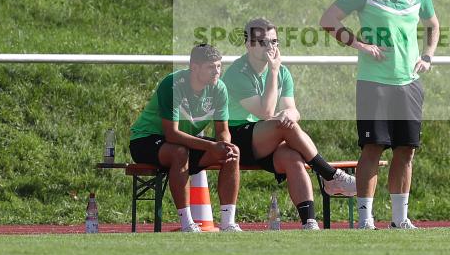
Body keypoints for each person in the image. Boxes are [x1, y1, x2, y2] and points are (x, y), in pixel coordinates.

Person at [320, 0, 439, 229]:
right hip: (374, 82)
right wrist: (360, 45)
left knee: (406, 149)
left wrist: (427, 56)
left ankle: (399, 219)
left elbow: (432, 24)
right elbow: (328, 19)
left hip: (409, 83)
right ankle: (365, 219)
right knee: (372, 148)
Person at [220, 17, 358, 230]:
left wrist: (287, 115)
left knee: (293, 156)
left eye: (274, 42)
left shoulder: (282, 72)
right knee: (283, 125)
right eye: (264, 42)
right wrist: (274, 72)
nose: (271, 47)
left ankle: (309, 221)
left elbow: (294, 111)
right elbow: (265, 113)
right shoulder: (238, 73)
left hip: (270, 137)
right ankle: (329, 174)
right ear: (249, 45)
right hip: (238, 139)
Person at [129, 44, 242, 232]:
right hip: (146, 141)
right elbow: (171, 134)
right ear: (194, 67)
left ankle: (228, 223)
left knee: (234, 152)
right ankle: (187, 224)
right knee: (179, 152)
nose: (217, 71)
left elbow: (223, 129)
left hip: (184, 143)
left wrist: (224, 145)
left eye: (219, 66)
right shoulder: (172, 84)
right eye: (211, 67)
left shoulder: (219, 88)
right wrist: (210, 146)